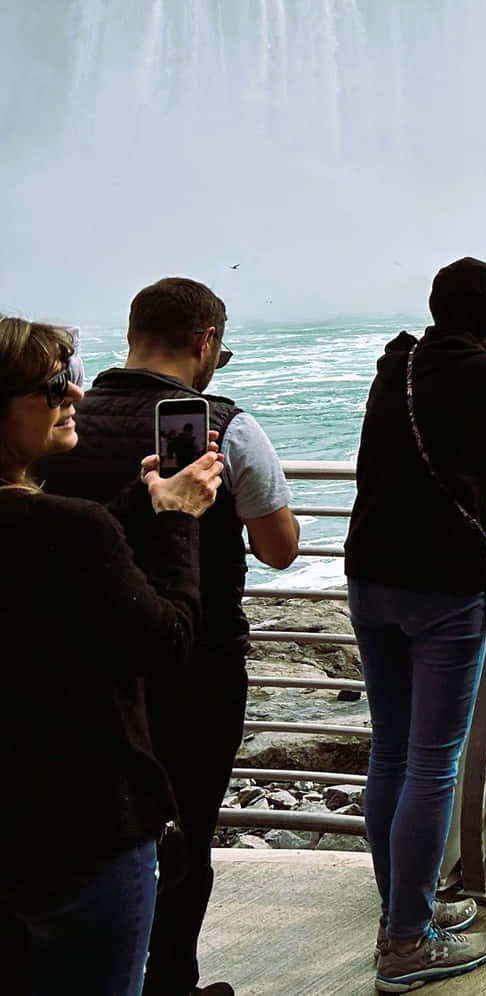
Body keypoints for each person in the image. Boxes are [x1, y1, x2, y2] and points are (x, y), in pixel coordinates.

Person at [35, 278, 300, 996]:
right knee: (183, 830)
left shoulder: (56, 422)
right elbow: (280, 550)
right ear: (204, 341)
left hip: (71, 665)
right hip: (195, 664)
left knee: (86, 834)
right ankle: (172, 980)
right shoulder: (227, 426)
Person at [0, 317, 225, 995]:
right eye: (52, 384)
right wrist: (181, 520)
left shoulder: (57, 528)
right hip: (84, 828)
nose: (74, 394)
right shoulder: (68, 527)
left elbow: (49, 566)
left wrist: (139, 505)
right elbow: (170, 641)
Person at [344, 258, 486, 989]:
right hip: (441, 585)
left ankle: (403, 909)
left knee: (391, 753)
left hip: (367, 573)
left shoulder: (398, 365)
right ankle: (407, 944)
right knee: (432, 761)